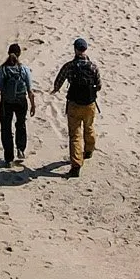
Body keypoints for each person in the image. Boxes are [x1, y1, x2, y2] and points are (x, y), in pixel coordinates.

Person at [51, 37, 101, 177]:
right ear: (85, 50)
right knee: (89, 127)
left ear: (75, 49)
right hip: (89, 104)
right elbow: (99, 85)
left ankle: (76, 165)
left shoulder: (70, 66)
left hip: (74, 104)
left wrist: (55, 89)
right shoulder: (92, 66)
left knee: (74, 135)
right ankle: (89, 150)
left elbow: (59, 80)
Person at [0, 42, 33, 167]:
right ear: (19, 54)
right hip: (21, 101)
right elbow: (30, 90)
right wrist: (33, 104)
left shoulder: (3, 69)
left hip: (6, 102)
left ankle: (8, 158)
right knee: (20, 124)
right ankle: (20, 148)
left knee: (6, 129)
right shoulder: (24, 69)